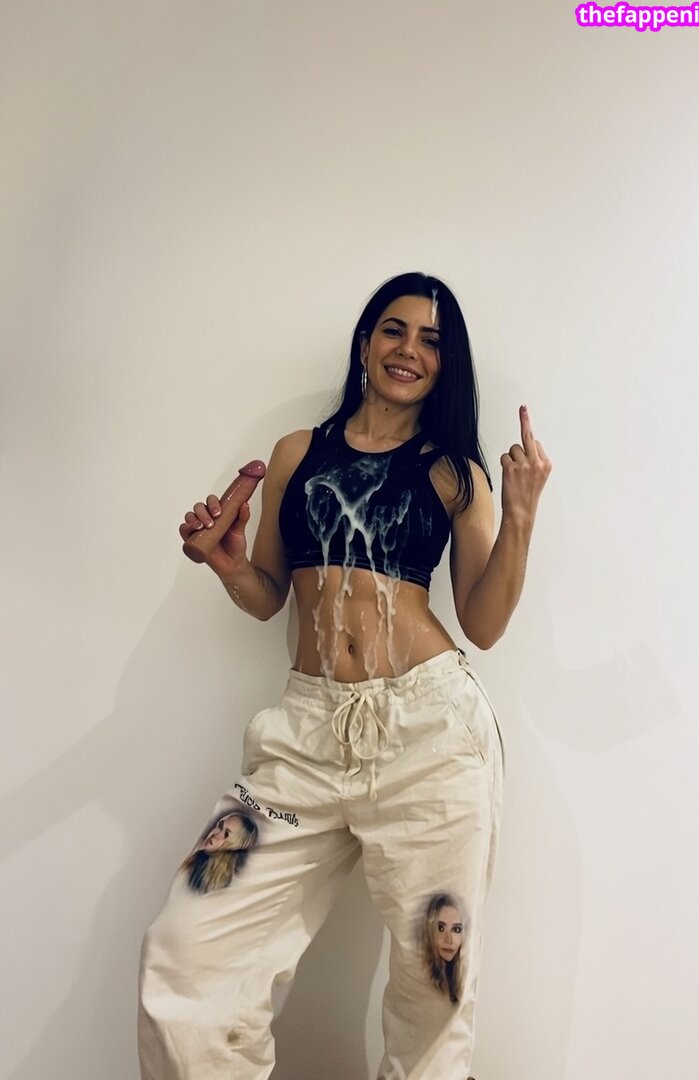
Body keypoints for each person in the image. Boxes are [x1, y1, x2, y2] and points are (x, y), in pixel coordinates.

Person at [138, 271, 552, 1080]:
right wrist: (227, 565)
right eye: (394, 329)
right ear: (365, 342)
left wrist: (523, 512)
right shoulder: (299, 452)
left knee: (434, 990)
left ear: (447, 364)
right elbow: (268, 593)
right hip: (304, 737)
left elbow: (484, 623)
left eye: (431, 340)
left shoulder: (454, 473)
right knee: (187, 951)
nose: (409, 350)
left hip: (432, 735)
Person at [180, 811, 258, 895]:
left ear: (233, 847)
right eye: (220, 825)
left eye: (226, 834)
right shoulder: (193, 849)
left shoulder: (213, 886)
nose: (216, 833)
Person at [423, 893, 466, 1004]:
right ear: (430, 931)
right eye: (441, 928)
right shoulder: (421, 978)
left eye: (456, 930)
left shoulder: (460, 978)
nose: (449, 940)